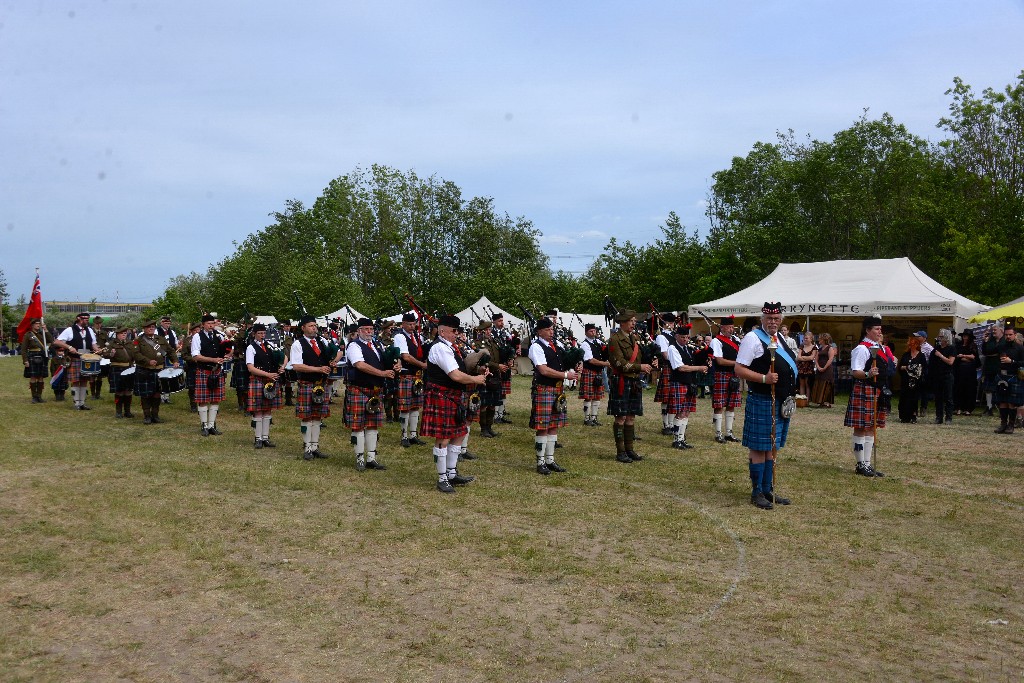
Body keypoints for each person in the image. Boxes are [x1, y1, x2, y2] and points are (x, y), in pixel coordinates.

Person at [733, 302, 797, 510]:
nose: (773, 322)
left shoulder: (780, 339)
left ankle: (767, 488)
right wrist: (763, 378)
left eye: (777, 319)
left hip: (779, 401)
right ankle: (756, 492)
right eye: (769, 318)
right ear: (762, 319)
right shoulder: (752, 338)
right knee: (760, 447)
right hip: (762, 398)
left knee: (772, 446)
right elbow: (739, 369)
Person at [420, 315, 487, 493]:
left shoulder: (451, 347)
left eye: (457, 331)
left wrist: (478, 369)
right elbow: (455, 375)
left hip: (454, 396)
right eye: (453, 331)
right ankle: (442, 478)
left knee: (459, 433)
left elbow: (460, 369)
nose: (456, 334)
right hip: (442, 395)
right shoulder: (440, 348)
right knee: (443, 437)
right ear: (442, 331)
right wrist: (476, 379)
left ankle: (451, 473)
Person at [344, 318, 397, 472]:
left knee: (373, 425)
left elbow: (382, 362)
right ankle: (360, 458)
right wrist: (382, 373)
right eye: (365, 329)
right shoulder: (353, 345)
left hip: (375, 390)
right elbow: (359, 364)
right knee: (358, 425)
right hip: (359, 389)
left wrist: (395, 365)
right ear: (359, 331)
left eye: (371, 329)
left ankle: (371, 458)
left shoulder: (376, 345)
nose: (369, 332)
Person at [844, 314, 891, 477]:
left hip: (877, 391)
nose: (880, 331)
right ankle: (860, 464)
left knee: (872, 427)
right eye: (877, 329)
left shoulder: (881, 348)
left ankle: (868, 464)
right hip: (865, 389)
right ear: (868, 330)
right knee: (861, 428)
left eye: (880, 328)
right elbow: (855, 372)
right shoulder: (862, 349)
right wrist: (868, 373)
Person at [528, 317, 575, 474]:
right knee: (543, 426)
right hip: (544, 389)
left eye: (552, 329)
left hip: (556, 390)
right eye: (548, 329)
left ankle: (550, 460)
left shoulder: (555, 345)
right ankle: (540, 462)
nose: (551, 331)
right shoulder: (536, 347)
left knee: (554, 425)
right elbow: (543, 370)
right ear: (539, 331)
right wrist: (565, 375)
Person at [606, 309, 654, 463]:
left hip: (634, 382)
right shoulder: (615, 339)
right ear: (622, 322)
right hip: (621, 381)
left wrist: (653, 360)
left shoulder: (636, 338)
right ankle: (620, 451)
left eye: (634, 321)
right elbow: (619, 363)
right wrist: (640, 367)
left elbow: (641, 357)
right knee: (621, 417)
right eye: (631, 321)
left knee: (631, 416)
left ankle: (630, 449)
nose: (634, 323)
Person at [290, 315, 341, 460]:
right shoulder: (298, 344)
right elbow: (296, 366)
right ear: (303, 328)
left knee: (317, 417)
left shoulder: (321, 341)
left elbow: (336, 353)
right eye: (311, 326)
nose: (314, 328)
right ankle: (307, 448)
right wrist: (318, 369)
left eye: (315, 325)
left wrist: (332, 362)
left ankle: (315, 446)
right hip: (307, 383)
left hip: (321, 384)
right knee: (307, 417)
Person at [246, 323, 285, 448]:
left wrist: (282, 367)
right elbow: (250, 368)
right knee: (258, 410)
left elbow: (285, 356)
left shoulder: (271, 345)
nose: (262, 336)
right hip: (258, 380)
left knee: (268, 410)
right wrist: (268, 374)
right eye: (260, 333)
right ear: (254, 334)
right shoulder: (250, 348)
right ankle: (258, 438)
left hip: (270, 380)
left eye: (264, 333)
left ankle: (265, 438)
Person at [191, 314, 231, 436]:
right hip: (204, 370)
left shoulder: (219, 336)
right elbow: (195, 356)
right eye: (208, 323)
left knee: (215, 399)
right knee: (203, 399)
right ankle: (204, 425)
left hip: (217, 371)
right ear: (203, 325)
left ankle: (212, 425)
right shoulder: (197, 337)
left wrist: (227, 355)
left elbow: (228, 349)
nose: (211, 325)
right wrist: (213, 360)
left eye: (212, 323)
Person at [132, 320, 178, 425]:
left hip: (159, 371)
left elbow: (170, 351)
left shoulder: (160, 339)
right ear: (144, 328)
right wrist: (148, 361)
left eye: (152, 327)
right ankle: (147, 416)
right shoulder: (138, 340)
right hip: (144, 370)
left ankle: (155, 415)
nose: (151, 328)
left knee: (157, 394)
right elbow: (135, 354)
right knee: (146, 395)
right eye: (149, 327)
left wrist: (174, 360)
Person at [392, 313, 428, 447]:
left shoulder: (417, 337)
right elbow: (405, 357)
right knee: (405, 407)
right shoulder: (400, 336)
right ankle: (404, 435)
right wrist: (422, 365)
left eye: (414, 324)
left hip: (417, 376)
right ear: (403, 324)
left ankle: (413, 435)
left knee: (415, 406)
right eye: (409, 324)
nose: (412, 326)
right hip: (406, 375)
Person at [666, 324, 703, 450]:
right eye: (683, 337)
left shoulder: (688, 348)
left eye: (687, 337)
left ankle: (682, 438)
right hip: (679, 382)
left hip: (689, 382)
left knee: (686, 412)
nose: (686, 340)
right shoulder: (672, 348)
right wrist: (699, 368)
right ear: (676, 336)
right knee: (680, 412)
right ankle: (676, 440)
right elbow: (680, 367)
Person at [54, 312, 101, 410]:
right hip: (75, 358)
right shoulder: (69, 330)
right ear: (78, 319)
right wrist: (69, 346)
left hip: (86, 359)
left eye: (88, 319)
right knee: (75, 381)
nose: (87, 321)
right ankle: (76, 403)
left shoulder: (90, 330)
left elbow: (94, 344)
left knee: (84, 381)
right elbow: (57, 341)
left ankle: (82, 403)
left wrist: (98, 350)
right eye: (85, 319)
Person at [710, 315, 742, 443]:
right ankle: (718, 433)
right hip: (721, 375)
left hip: (733, 375)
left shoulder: (735, 340)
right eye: (729, 327)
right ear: (722, 327)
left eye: (732, 327)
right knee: (719, 405)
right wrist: (737, 364)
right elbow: (720, 360)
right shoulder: (716, 341)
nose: (731, 330)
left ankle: (729, 433)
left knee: (731, 404)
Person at [475, 319, 504, 438]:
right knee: (485, 403)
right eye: (486, 330)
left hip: (496, 375)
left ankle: (489, 427)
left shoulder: (494, 342)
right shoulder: (478, 344)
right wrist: (498, 366)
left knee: (493, 403)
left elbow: (499, 355)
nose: (488, 331)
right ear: (481, 331)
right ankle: (483, 429)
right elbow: (483, 360)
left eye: (489, 329)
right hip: (485, 374)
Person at [993, 324, 1024, 434]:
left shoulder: (1020, 348)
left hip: (1014, 376)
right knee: (1002, 401)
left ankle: (1011, 425)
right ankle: (1003, 424)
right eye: (1006, 335)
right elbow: (989, 351)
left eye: (1010, 335)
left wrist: (1012, 362)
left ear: (1015, 335)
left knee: (1012, 402)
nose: (1008, 337)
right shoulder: (1001, 346)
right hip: (1001, 375)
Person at [579, 323, 609, 426]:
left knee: (597, 396)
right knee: (588, 396)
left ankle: (594, 418)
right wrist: (606, 364)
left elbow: (605, 353)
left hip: (598, 372)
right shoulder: (584, 344)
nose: (593, 333)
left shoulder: (599, 342)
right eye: (591, 331)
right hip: (589, 371)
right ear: (586, 332)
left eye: (594, 331)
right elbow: (591, 360)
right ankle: (587, 419)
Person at [103, 326, 136, 418]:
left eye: (125, 333)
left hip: (129, 369)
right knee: (119, 391)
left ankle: (127, 411)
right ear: (117, 334)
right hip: (117, 368)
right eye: (122, 333)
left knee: (128, 391)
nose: (124, 335)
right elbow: (105, 354)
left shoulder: (130, 343)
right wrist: (111, 354)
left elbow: (135, 354)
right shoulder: (111, 344)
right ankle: (118, 411)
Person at [653, 313, 677, 435]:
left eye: (673, 323)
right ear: (664, 323)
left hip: (676, 368)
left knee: (673, 397)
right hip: (669, 367)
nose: (672, 325)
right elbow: (665, 354)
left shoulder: (674, 335)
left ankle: (672, 423)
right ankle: (666, 425)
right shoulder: (661, 337)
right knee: (666, 398)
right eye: (670, 323)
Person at [897, 334, 927, 423]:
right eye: (910, 344)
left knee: (913, 398)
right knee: (904, 397)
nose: (910, 346)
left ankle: (913, 415)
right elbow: (900, 367)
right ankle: (904, 416)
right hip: (905, 380)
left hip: (916, 381)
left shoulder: (921, 356)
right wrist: (905, 367)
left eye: (912, 344)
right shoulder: (906, 355)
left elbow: (924, 368)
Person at [491, 312, 515, 424]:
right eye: (499, 321)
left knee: (504, 391)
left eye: (502, 320)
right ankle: (495, 416)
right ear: (494, 322)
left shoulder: (506, 333)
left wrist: (511, 358)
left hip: (506, 365)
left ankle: (501, 414)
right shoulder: (491, 334)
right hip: (497, 366)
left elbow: (510, 347)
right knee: (497, 391)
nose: (502, 323)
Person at [929, 330, 956, 424]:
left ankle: (949, 418)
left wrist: (940, 355)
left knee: (948, 397)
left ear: (946, 338)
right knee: (938, 397)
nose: (939, 339)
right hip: (937, 375)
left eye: (941, 337)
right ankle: (939, 417)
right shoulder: (936, 348)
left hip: (947, 375)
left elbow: (950, 362)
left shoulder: (951, 348)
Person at [20, 318, 49, 403]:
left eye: (39, 324)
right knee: (33, 377)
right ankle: (34, 397)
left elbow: (51, 340)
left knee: (41, 377)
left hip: (42, 356)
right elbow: (23, 349)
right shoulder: (28, 335)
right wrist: (25, 360)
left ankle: (39, 396)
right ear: (32, 325)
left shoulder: (42, 334)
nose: (38, 325)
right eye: (36, 324)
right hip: (32, 356)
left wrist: (46, 330)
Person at [952, 330, 980, 415]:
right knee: (959, 388)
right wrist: (965, 358)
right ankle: (958, 408)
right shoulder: (959, 345)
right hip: (960, 370)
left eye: (966, 335)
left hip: (970, 371)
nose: (965, 337)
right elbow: (956, 356)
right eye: (964, 335)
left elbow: (974, 357)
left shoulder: (973, 346)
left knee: (969, 389)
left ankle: (968, 408)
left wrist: (963, 356)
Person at [981, 325, 1005, 417]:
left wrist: (991, 351)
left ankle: (1002, 409)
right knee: (988, 389)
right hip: (989, 367)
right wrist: (985, 341)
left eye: (995, 330)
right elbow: (984, 351)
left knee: (1001, 388)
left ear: (1001, 330)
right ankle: (989, 407)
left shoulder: (1004, 340)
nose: (993, 332)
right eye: (993, 330)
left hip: (1000, 367)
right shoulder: (990, 339)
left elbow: (1000, 349)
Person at [810, 332, 837, 408]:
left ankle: (826, 401)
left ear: (824, 339)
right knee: (819, 383)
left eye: (820, 338)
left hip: (827, 369)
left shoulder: (830, 348)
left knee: (826, 384)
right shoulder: (820, 348)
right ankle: (820, 401)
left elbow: (830, 358)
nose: (819, 340)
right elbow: (816, 358)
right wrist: (818, 367)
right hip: (819, 368)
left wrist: (824, 367)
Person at [157, 316, 179, 404]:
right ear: (161, 323)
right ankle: (161, 396)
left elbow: (176, 344)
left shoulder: (172, 332)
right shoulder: (156, 331)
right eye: (166, 323)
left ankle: (167, 396)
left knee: (169, 376)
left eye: (169, 323)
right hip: (160, 356)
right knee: (161, 376)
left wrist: (177, 349)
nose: (167, 325)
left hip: (169, 357)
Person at [181, 323, 201, 412]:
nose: (197, 332)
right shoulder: (187, 340)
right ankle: (193, 405)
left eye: (198, 330)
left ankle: (202, 402)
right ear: (191, 331)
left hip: (203, 365)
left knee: (202, 386)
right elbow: (184, 355)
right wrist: (194, 359)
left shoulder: (203, 339)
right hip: (192, 366)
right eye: (195, 330)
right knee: (192, 387)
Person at [89, 316, 109, 399]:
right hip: (92, 355)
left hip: (101, 356)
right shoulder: (89, 332)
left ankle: (98, 394)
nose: (99, 325)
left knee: (100, 376)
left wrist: (104, 350)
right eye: (97, 323)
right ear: (94, 323)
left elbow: (107, 344)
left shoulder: (104, 333)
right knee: (92, 375)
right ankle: (93, 394)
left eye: (100, 323)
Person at [796, 332, 817, 398]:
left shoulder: (814, 347)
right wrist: (806, 358)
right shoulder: (801, 346)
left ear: (811, 339)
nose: (805, 339)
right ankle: (802, 399)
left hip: (809, 368)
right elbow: (798, 357)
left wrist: (803, 357)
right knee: (801, 384)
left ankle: (807, 399)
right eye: (804, 338)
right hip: (801, 367)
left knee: (808, 384)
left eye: (806, 338)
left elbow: (812, 357)